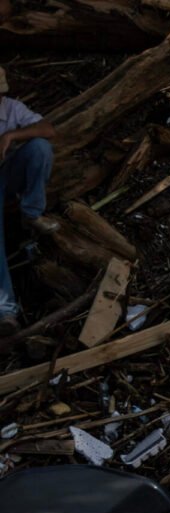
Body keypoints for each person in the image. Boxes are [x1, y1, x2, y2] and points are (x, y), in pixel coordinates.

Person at [0, 65, 59, 337]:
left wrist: (10, 135)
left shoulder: (11, 108)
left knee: (39, 147)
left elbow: (48, 129)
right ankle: (6, 312)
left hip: (7, 177)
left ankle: (32, 213)